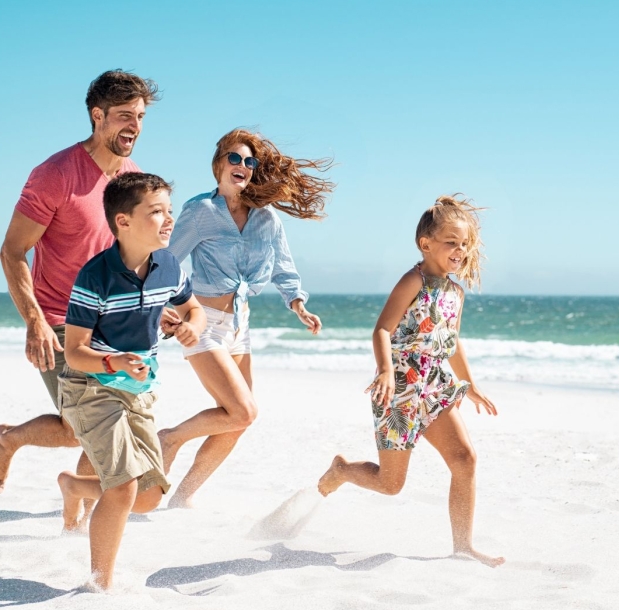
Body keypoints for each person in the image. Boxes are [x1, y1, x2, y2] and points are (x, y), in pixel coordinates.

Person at [317, 195, 504, 567]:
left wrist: (472, 383)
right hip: (399, 387)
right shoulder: (413, 280)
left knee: (464, 459)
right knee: (391, 485)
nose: (460, 250)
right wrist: (386, 370)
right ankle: (342, 470)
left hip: (434, 383)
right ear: (426, 244)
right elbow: (382, 330)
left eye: (464, 244)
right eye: (451, 242)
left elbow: (450, 344)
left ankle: (463, 546)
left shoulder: (455, 292)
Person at [0, 70, 160, 495]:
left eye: (141, 116)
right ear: (98, 116)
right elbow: (13, 251)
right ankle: (9, 441)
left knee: (96, 423)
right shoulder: (55, 174)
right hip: (60, 320)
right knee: (86, 426)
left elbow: (137, 251)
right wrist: (34, 321)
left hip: (113, 324)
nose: (135, 126)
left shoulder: (131, 177)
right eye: (125, 115)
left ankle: (78, 506)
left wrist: (164, 306)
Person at [159, 128, 333, 508]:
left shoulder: (266, 218)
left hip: (240, 326)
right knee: (242, 409)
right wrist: (161, 306)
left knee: (239, 420)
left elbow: (284, 268)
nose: (242, 166)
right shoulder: (200, 212)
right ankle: (169, 438)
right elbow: (165, 260)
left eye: (249, 161)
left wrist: (298, 304)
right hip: (201, 321)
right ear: (219, 164)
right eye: (234, 158)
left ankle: (183, 496)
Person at [56, 173, 205, 590]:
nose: (168, 220)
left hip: (139, 389)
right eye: (156, 212)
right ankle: (98, 585)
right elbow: (74, 351)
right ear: (122, 222)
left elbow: (193, 309)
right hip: (91, 386)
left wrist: (192, 324)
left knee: (149, 496)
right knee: (122, 488)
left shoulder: (169, 265)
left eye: (169, 211)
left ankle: (74, 486)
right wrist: (114, 361)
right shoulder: (94, 277)